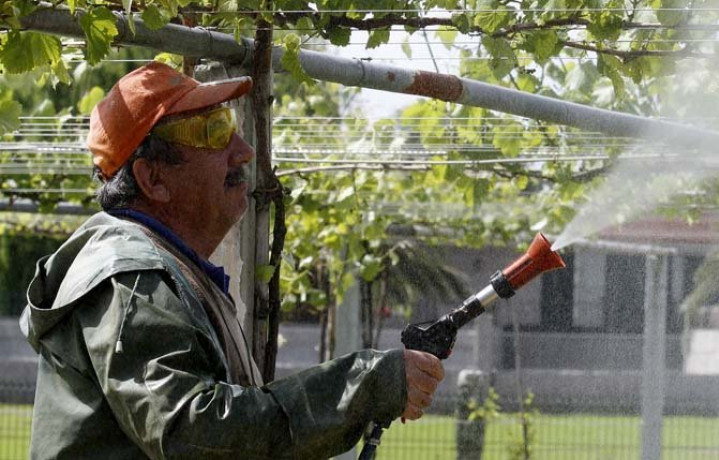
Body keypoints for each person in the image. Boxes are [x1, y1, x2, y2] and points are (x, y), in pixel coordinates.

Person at [20, 62, 444, 459]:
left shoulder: (169, 270)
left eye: (232, 125)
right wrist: (361, 386)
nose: (243, 151)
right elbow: (194, 430)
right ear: (153, 178)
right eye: (213, 131)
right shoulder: (133, 280)